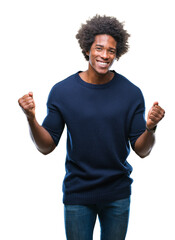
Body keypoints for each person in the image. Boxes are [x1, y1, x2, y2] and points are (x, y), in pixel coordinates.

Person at [18, 15, 165, 240]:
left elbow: (142, 151)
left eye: (111, 51)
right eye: (99, 48)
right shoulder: (62, 91)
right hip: (78, 193)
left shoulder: (131, 93)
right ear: (87, 49)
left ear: (118, 54)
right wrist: (30, 118)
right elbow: (46, 146)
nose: (104, 55)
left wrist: (151, 128)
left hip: (117, 194)